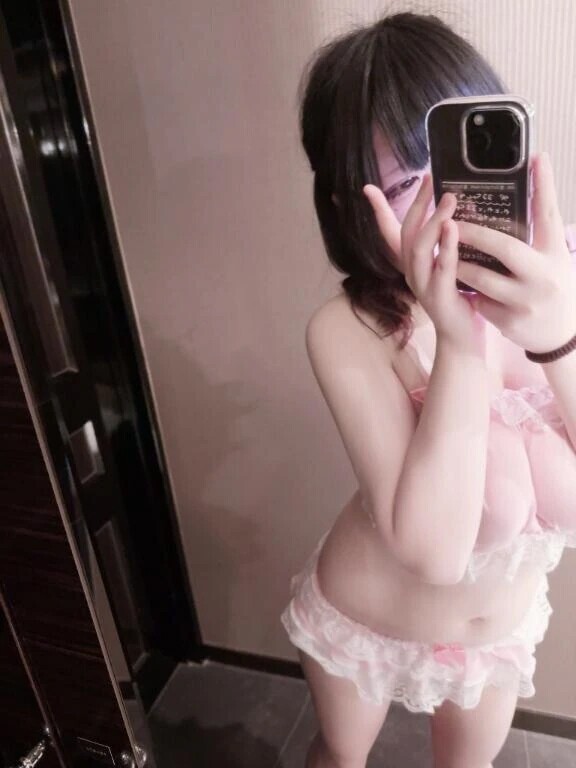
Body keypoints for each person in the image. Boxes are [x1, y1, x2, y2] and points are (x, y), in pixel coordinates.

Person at [280, 10, 576, 768]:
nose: (449, 202)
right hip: (364, 619)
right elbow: (436, 552)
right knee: (340, 758)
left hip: (495, 638)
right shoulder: (348, 328)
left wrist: (559, 338)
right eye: (408, 181)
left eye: (462, 160)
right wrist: (460, 340)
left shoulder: (564, 282)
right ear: (352, 206)